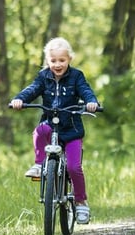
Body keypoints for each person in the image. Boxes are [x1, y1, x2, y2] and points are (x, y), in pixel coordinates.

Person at [10, 37, 100, 224]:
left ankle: (81, 201)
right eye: (53, 61)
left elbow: (85, 90)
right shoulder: (43, 77)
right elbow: (32, 89)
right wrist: (19, 99)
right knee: (39, 130)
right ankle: (38, 164)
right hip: (51, 125)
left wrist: (91, 102)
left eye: (62, 60)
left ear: (69, 59)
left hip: (72, 129)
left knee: (74, 167)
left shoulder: (77, 76)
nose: (57, 64)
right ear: (47, 61)